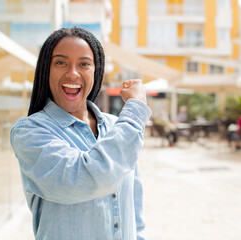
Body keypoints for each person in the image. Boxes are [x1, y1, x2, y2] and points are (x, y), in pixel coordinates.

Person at [10, 27, 151, 240]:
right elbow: (82, 178)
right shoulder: (30, 133)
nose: (73, 73)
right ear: (45, 71)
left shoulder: (117, 128)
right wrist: (135, 109)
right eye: (61, 63)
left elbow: (135, 212)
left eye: (84, 64)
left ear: (97, 71)